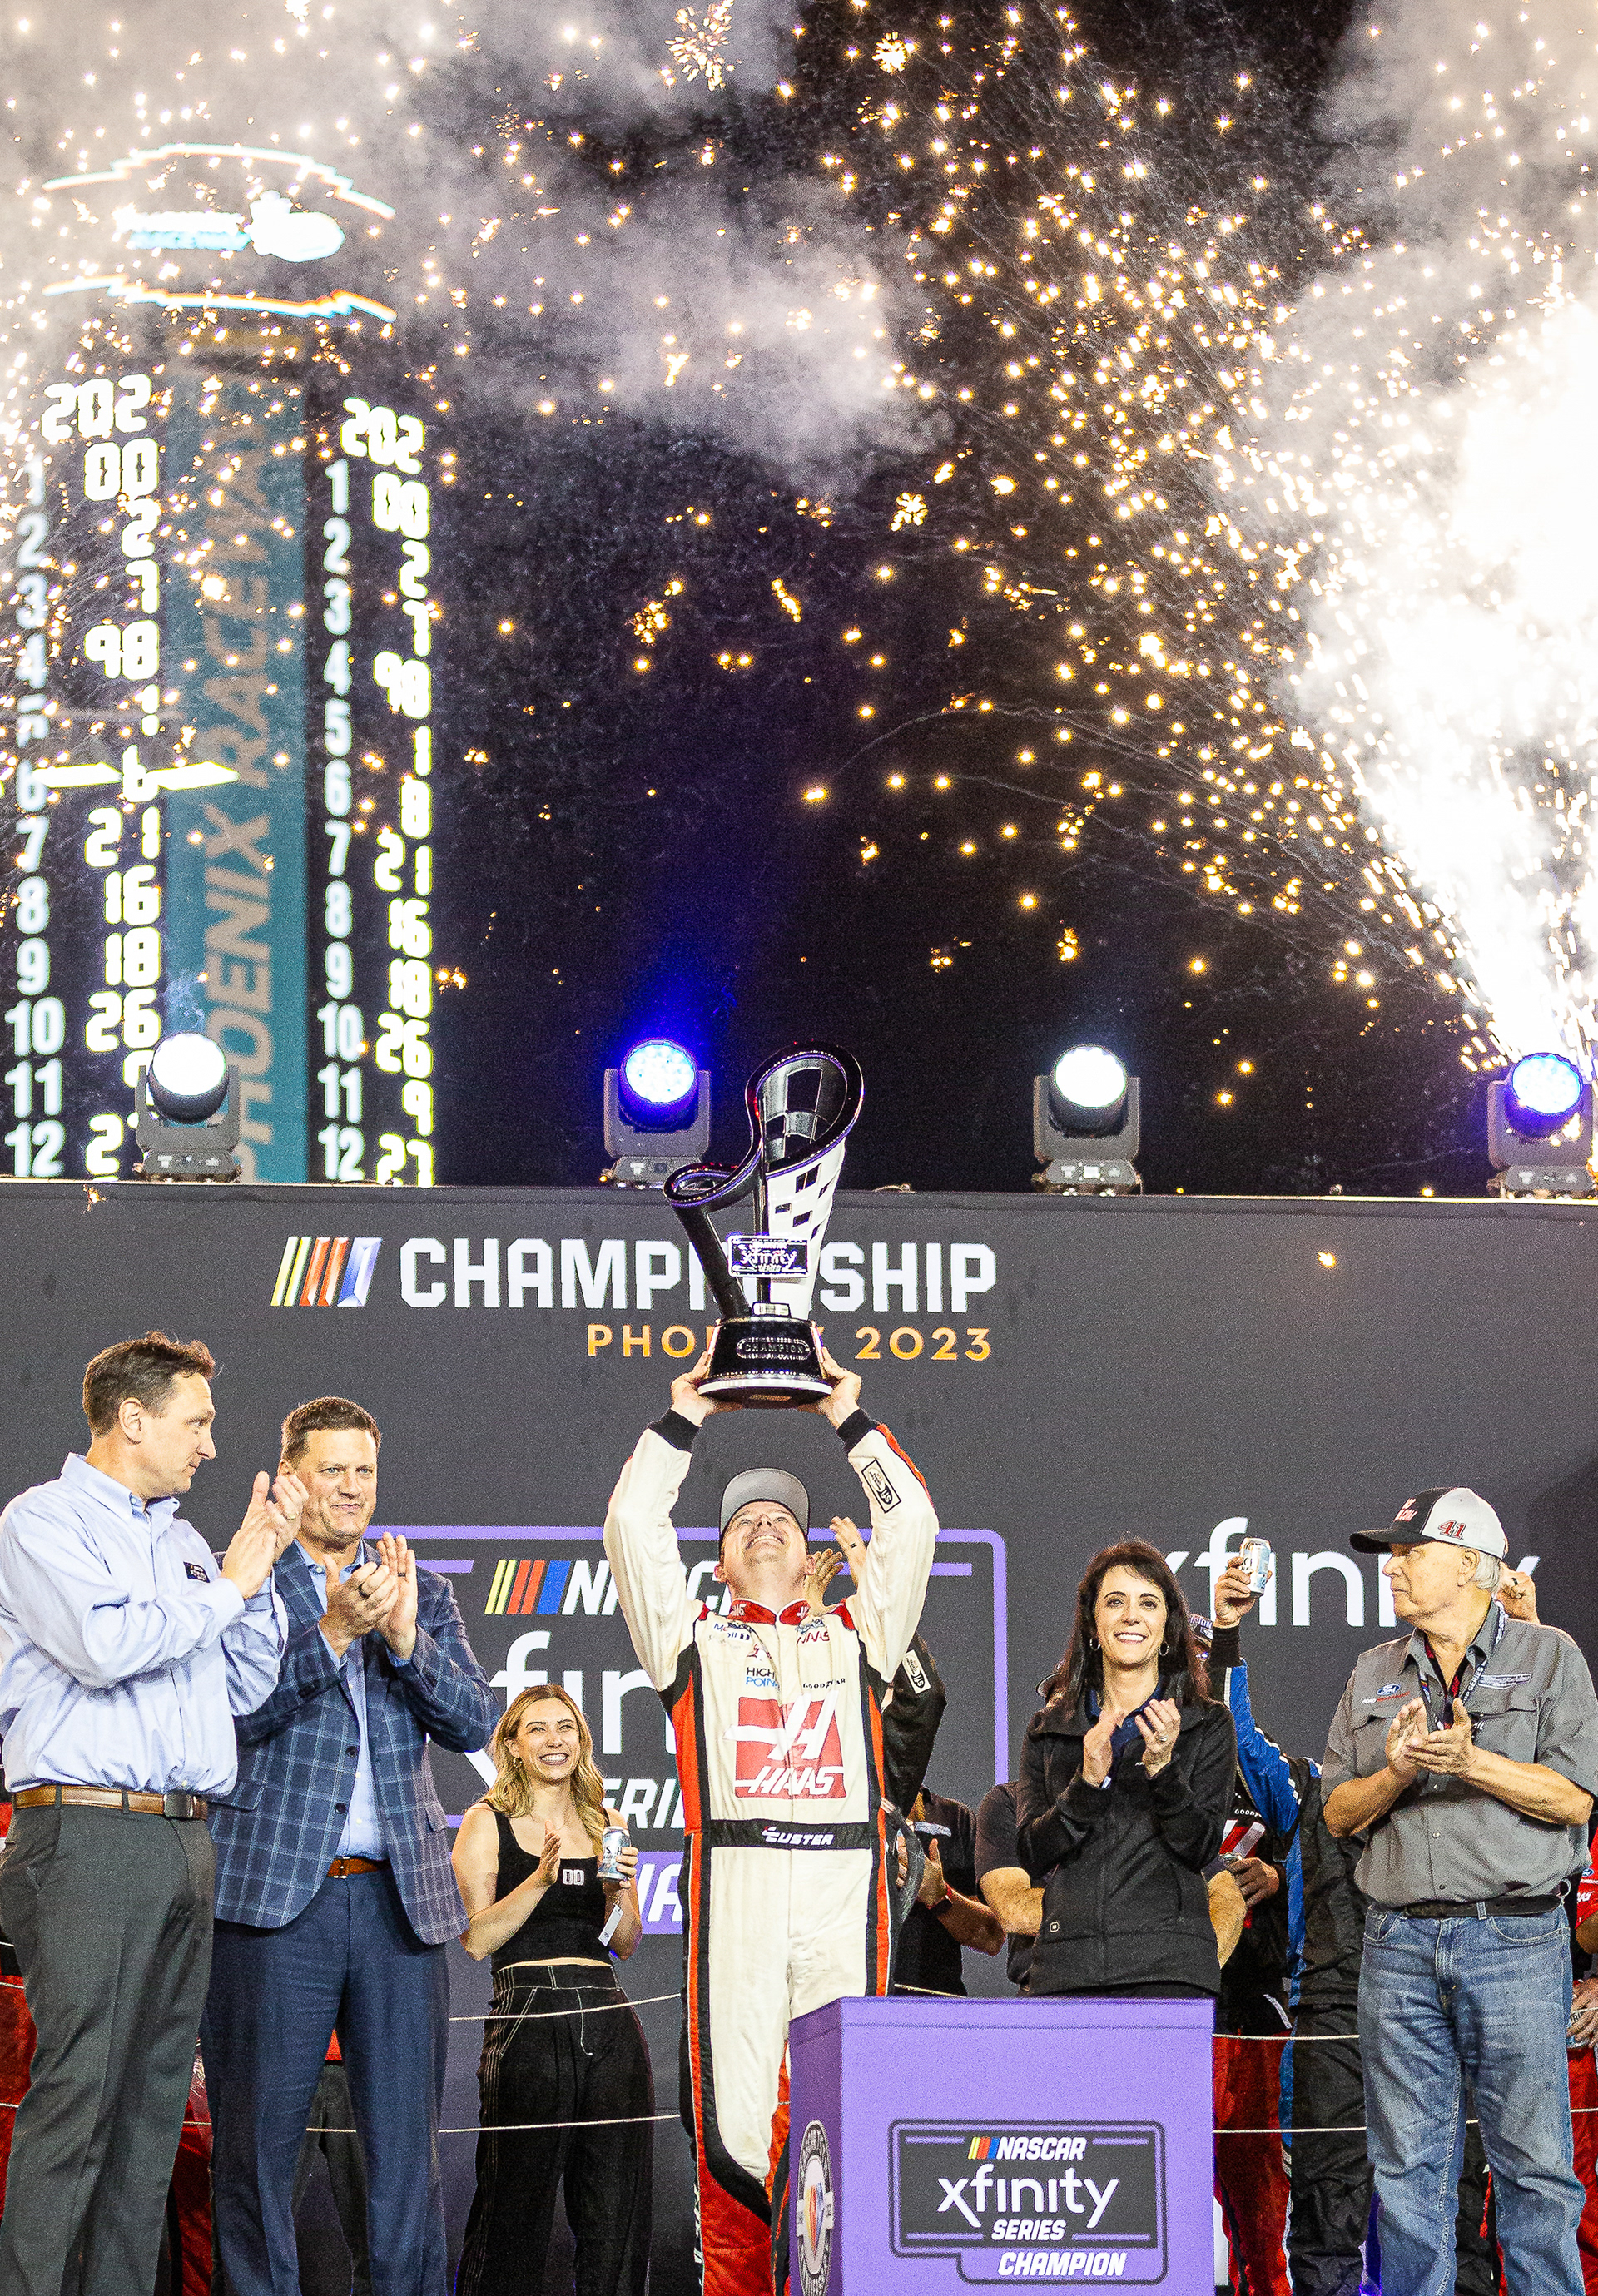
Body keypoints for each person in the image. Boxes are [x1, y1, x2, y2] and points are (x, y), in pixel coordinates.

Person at [603, 1346, 937, 2296]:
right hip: (740, 1883)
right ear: (722, 1553)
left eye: (781, 1518)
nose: (763, 1527)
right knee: (740, 2133)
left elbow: (910, 1522)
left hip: (843, 1881)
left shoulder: (860, 1636)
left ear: (809, 1548)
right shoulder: (693, 1640)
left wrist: (847, 1414)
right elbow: (632, 1525)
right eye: (744, 1518)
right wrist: (683, 1416)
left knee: (844, 2110)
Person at [0, 1331, 298, 2296]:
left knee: (152, 2112)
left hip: (184, 1835)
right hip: (87, 1834)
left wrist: (260, 1576)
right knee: (77, 2101)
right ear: (133, 1418)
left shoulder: (178, 1542)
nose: (210, 1444)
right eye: (197, 1421)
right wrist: (231, 1587)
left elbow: (246, 1682)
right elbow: (102, 1643)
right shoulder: (42, 1521)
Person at [202, 1396, 496, 2296]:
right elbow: (227, 1720)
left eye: (364, 1469)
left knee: (407, 2163)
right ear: (292, 1474)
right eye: (333, 1468)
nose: (352, 1487)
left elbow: (476, 1719)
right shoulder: (246, 1577)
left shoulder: (422, 1587)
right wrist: (332, 1633)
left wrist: (403, 1635)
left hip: (398, 1906)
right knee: (255, 2157)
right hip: (274, 1904)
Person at [1323, 1485, 1598, 2296]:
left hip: (1514, 1937)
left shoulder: (1551, 1657)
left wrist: (1472, 1762)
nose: (1394, 1567)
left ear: (1473, 1565)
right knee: (1406, 2172)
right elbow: (1339, 1811)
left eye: (1413, 1551)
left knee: (1535, 2171)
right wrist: (1400, 1769)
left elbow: (1577, 1797)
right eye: (1392, 1553)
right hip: (1398, 1943)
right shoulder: (1373, 1670)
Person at [1212, 1548, 1506, 2296]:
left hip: (1435, 1999)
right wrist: (1229, 1636)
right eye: (1376, 1705)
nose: (1390, 1714)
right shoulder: (1305, 1787)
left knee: (1453, 2199)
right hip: (1335, 2011)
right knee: (1325, 2207)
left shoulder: (1449, 1777)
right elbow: (1237, 1736)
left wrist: (1523, 1626)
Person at [453, 1684, 652, 2296]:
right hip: (529, 2015)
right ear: (512, 1745)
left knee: (615, 2212)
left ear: (582, 1740)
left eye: (565, 1726)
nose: (554, 1739)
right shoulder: (485, 1820)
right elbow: (477, 1937)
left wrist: (619, 1893)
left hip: (608, 2012)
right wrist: (541, 1877)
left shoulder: (607, 1822)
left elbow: (624, 1942)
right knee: (515, 2205)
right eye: (536, 1728)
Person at [1016, 1540, 1236, 1996]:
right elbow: (1033, 1853)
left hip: (1168, 1970)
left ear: (1167, 1627)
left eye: (1148, 1603)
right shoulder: (1050, 1729)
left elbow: (1200, 1847)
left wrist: (1163, 1770)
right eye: (1115, 1602)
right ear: (1093, 1624)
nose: (1131, 1616)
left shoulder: (1207, 1722)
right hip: (1067, 1969)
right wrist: (1087, 1783)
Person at [977, 1777, 1248, 1989]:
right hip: (1050, 2005)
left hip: (1145, 2006)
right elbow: (1013, 1907)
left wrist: (1192, 1973)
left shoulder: (1152, 1805)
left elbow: (1227, 1897)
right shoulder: (1010, 1802)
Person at [890, 1788, 1004, 1996]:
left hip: (936, 2006)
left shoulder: (955, 1817)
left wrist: (939, 1895)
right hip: (848, 2002)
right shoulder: (836, 1819)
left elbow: (991, 1936)